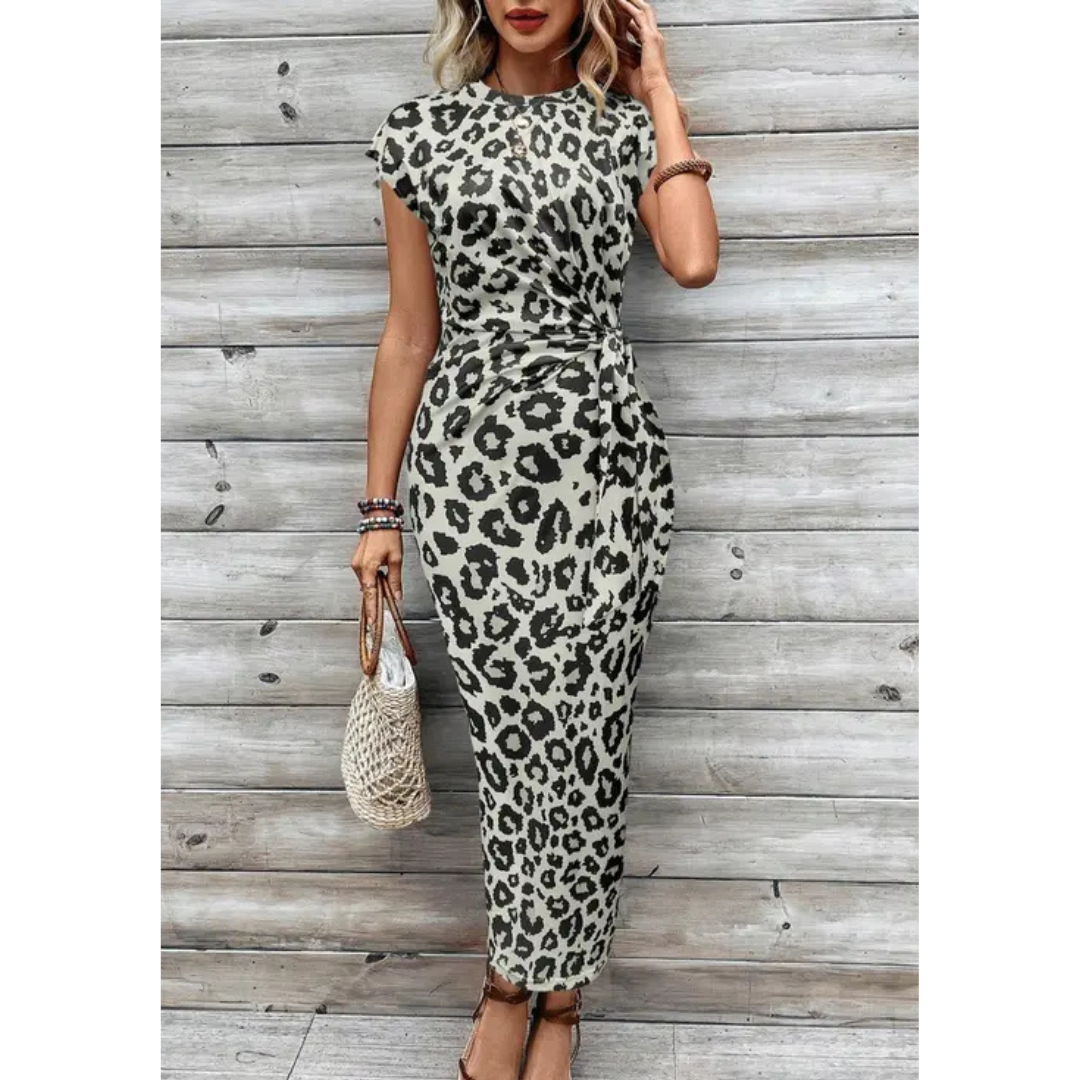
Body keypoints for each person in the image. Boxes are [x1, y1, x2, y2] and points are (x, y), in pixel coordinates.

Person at [352, 2, 719, 1077]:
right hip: (471, 476)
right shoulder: (420, 133)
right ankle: (507, 983)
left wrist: (657, 88)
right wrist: (379, 513)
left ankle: (559, 1000)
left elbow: (692, 260)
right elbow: (409, 333)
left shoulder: (623, 131)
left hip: (608, 473)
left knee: (590, 738)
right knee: (515, 744)